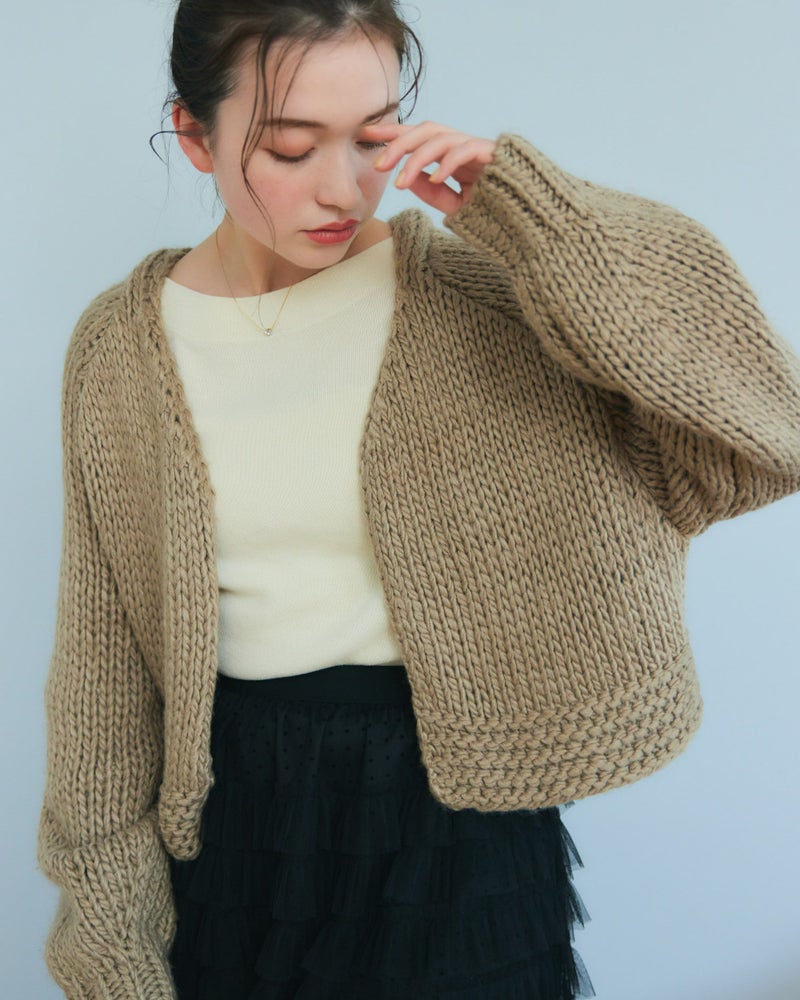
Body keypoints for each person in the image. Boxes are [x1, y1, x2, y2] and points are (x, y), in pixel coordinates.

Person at [37, 1, 800, 998]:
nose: (341, 187)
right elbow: (101, 666)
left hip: (460, 822)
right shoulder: (118, 348)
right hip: (233, 827)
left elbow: (756, 432)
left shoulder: (483, 295)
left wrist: (537, 217)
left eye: (373, 137)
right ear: (193, 134)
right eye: (291, 147)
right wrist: (105, 929)